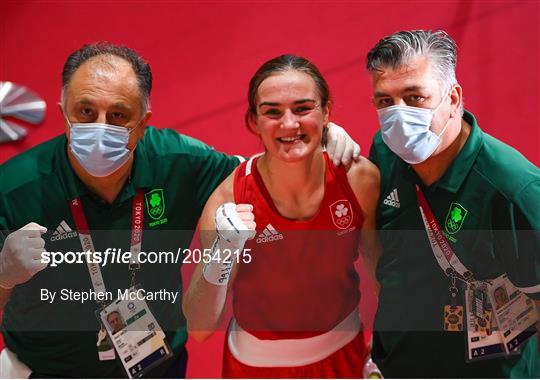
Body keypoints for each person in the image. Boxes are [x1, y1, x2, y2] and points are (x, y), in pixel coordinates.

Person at [0, 42, 360, 378]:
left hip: (158, 363)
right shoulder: (14, 187)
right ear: (64, 111)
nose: (99, 127)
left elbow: (262, 171)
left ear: (143, 121)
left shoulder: (181, 162)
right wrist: (3, 274)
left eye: (119, 114)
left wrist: (315, 139)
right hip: (45, 369)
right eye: (85, 111)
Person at [183, 54, 381, 378]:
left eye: (303, 108)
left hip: (345, 356)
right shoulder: (229, 200)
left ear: (326, 111)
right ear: (253, 122)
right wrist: (222, 253)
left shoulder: (359, 180)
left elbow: (381, 276)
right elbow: (199, 327)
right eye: (272, 112)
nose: (289, 124)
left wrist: (390, 343)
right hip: (255, 369)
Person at [366, 30, 540, 377]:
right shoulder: (384, 152)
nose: (398, 118)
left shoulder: (513, 188)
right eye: (385, 101)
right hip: (399, 366)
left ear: (453, 97)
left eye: (415, 97)